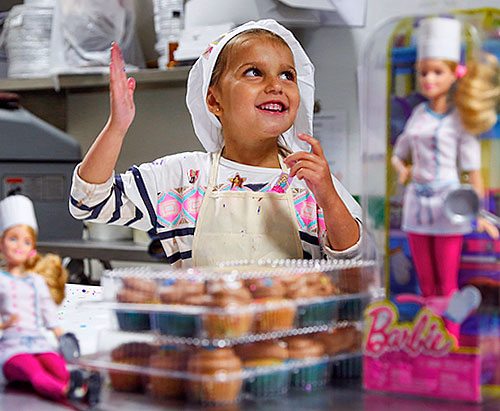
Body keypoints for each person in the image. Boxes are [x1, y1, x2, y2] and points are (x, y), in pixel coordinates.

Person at [69, 19, 362, 267]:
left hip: (294, 334)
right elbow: (89, 202)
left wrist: (327, 196)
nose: (275, 85)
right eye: (254, 72)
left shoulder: (312, 182)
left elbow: (353, 259)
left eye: (287, 75)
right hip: (206, 331)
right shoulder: (183, 180)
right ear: (214, 100)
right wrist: (116, 128)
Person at [390, 17, 499, 339]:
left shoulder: (460, 121)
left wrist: (478, 212)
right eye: (423, 72)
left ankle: (449, 336)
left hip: (450, 206)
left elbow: (473, 170)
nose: (428, 79)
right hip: (416, 204)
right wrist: (403, 170)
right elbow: (400, 152)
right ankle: (429, 337)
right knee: (426, 283)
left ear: (455, 74)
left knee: (447, 281)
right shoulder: (418, 115)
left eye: (437, 72)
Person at [0, 194, 101, 406]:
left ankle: (82, 386)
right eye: (13, 238)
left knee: (57, 365)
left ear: (32, 248)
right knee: (34, 370)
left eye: (26, 241)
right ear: (1, 244)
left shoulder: (36, 282)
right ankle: (68, 392)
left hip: (38, 342)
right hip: (12, 350)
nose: (19, 246)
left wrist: (61, 336)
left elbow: (48, 314)